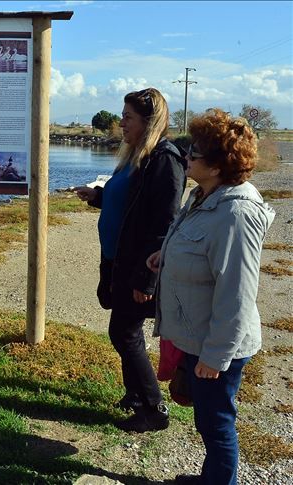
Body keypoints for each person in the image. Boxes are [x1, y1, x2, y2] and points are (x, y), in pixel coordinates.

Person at [147, 109, 274, 484]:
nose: (187, 156)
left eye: (196, 152)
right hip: (197, 336)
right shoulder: (203, 195)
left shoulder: (236, 214)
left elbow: (237, 292)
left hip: (217, 345)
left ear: (219, 165)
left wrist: (215, 357)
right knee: (206, 417)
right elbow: (194, 243)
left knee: (217, 424)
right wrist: (164, 255)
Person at [74, 88, 186, 432]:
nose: (120, 123)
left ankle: (153, 409)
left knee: (124, 332)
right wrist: (99, 196)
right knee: (125, 329)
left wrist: (146, 279)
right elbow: (128, 202)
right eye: (121, 116)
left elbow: (163, 224)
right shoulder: (138, 154)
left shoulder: (164, 159)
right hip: (118, 260)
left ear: (148, 122)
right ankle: (136, 397)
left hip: (138, 266)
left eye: (127, 118)